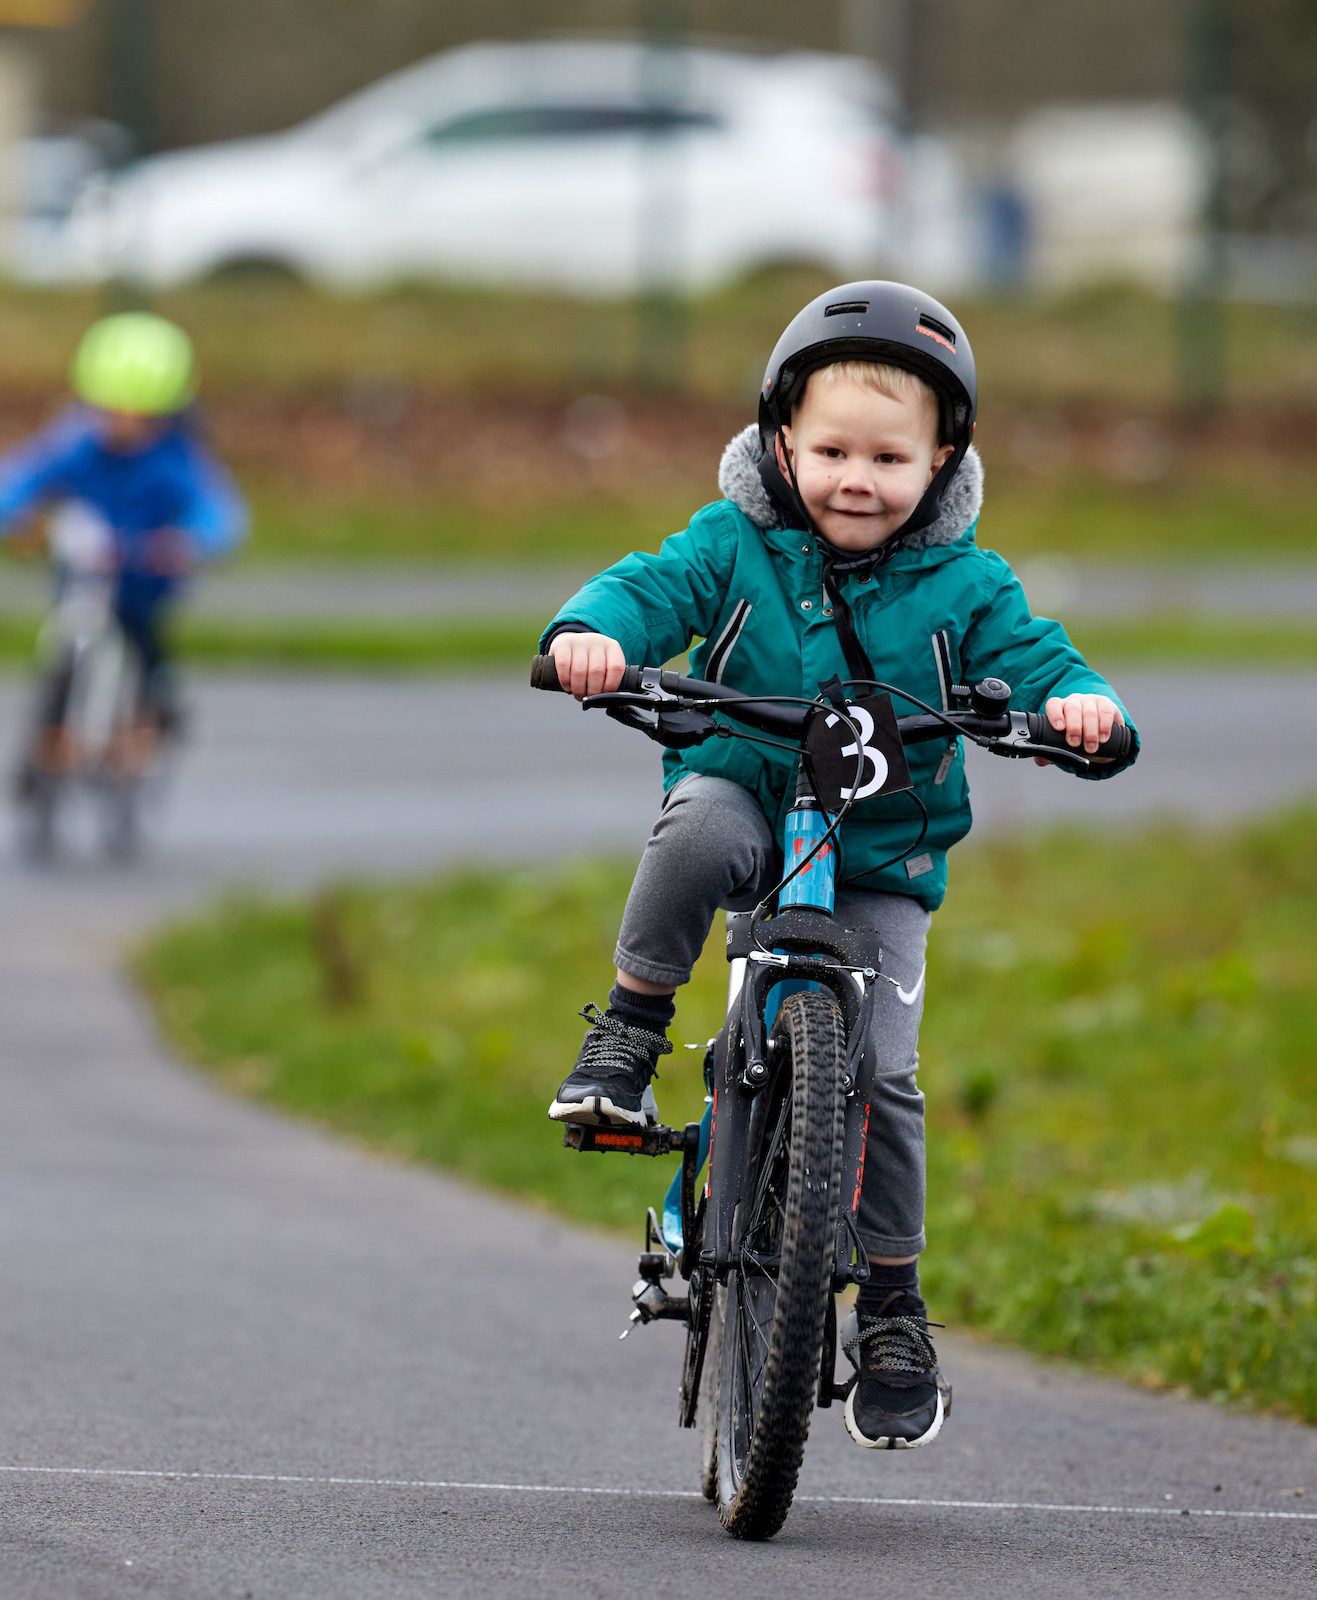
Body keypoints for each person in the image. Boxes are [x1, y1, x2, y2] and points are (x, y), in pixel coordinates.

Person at [537, 281, 1136, 1451]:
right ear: (779, 442)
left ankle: (897, 1307)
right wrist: (589, 635)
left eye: (888, 456)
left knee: (889, 1077)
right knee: (696, 832)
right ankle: (630, 1025)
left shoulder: (972, 586)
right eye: (829, 450)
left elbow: (1047, 662)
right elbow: (645, 587)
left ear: (944, 457)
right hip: (749, 797)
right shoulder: (734, 544)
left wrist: (1083, 709)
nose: (855, 478)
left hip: (880, 861)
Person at [0, 312, 247, 784]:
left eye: (139, 414)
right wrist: (6, 513)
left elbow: (217, 510)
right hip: (85, 571)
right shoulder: (75, 442)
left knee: (143, 637)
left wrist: (193, 541)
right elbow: (17, 477)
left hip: (145, 573)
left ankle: (159, 706)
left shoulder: (177, 460)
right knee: (63, 644)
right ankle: (46, 741)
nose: (122, 424)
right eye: (110, 410)